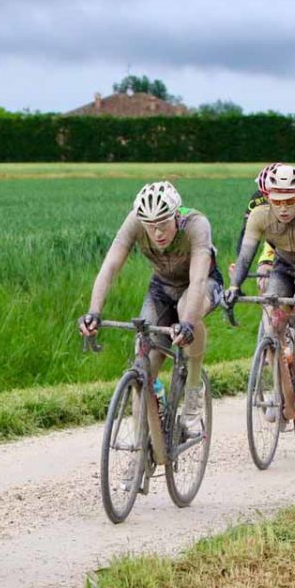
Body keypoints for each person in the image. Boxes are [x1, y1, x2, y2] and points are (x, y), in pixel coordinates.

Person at [81, 181, 222, 437]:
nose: (157, 233)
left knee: (186, 309)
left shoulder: (196, 225)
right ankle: (140, 452)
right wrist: (94, 312)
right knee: (143, 365)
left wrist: (187, 323)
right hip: (162, 288)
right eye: (150, 226)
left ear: (176, 216)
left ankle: (193, 391)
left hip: (202, 284)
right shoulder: (135, 221)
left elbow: (198, 279)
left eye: (163, 224)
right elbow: (109, 267)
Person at [223, 164, 295, 402]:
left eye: (289, 202)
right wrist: (234, 287)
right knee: (273, 317)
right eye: (276, 201)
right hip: (283, 266)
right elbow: (245, 256)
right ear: (267, 198)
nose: (282, 208)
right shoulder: (259, 215)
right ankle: (278, 385)